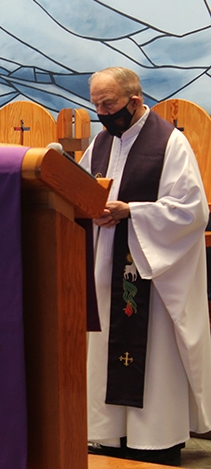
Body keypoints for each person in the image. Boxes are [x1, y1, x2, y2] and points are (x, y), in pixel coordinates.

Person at [80, 66, 211, 466]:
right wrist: (88, 209)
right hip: (106, 266)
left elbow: (192, 211)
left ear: (134, 101)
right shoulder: (101, 142)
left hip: (152, 272)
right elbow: (79, 186)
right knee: (105, 349)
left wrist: (131, 211)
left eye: (109, 104)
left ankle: (156, 439)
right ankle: (110, 434)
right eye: (96, 105)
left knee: (152, 357)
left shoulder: (169, 144)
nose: (102, 113)